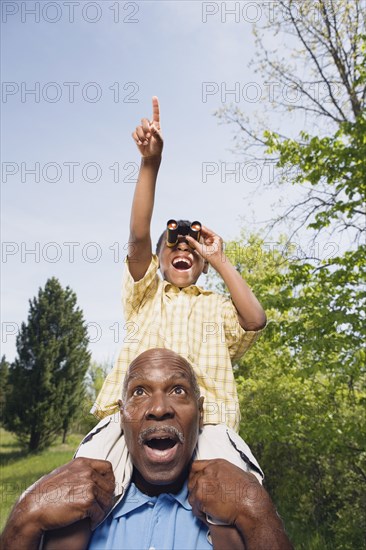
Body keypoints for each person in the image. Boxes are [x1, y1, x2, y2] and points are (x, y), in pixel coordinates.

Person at [92, 96, 267, 432]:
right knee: (84, 475)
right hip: (128, 415)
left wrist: (220, 259)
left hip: (208, 421)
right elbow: (138, 234)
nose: (182, 249)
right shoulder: (146, 295)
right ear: (158, 260)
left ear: (202, 266)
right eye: (172, 245)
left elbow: (255, 320)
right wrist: (150, 163)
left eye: (192, 249)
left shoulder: (216, 306)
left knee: (238, 482)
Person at [0, 349, 292, 550]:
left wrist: (258, 512)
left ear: (201, 414)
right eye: (139, 392)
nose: (159, 409)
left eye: (178, 390)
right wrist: (23, 519)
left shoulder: (235, 510)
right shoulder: (76, 511)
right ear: (120, 415)